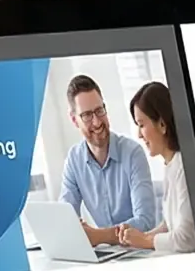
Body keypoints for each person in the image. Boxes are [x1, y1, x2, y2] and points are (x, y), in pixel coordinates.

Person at [58, 72, 157, 244]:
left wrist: (98, 236)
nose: (96, 122)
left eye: (99, 111)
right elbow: (65, 219)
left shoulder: (133, 153)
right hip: (108, 257)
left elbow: (145, 221)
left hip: (141, 252)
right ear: (74, 120)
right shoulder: (74, 161)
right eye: (87, 115)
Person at [113, 81, 195, 254]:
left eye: (142, 124)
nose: (138, 134)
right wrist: (137, 239)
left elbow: (186, 238)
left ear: (162, 124)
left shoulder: (185, 166)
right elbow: (170, 224)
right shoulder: (170, 164)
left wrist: (145, 240)